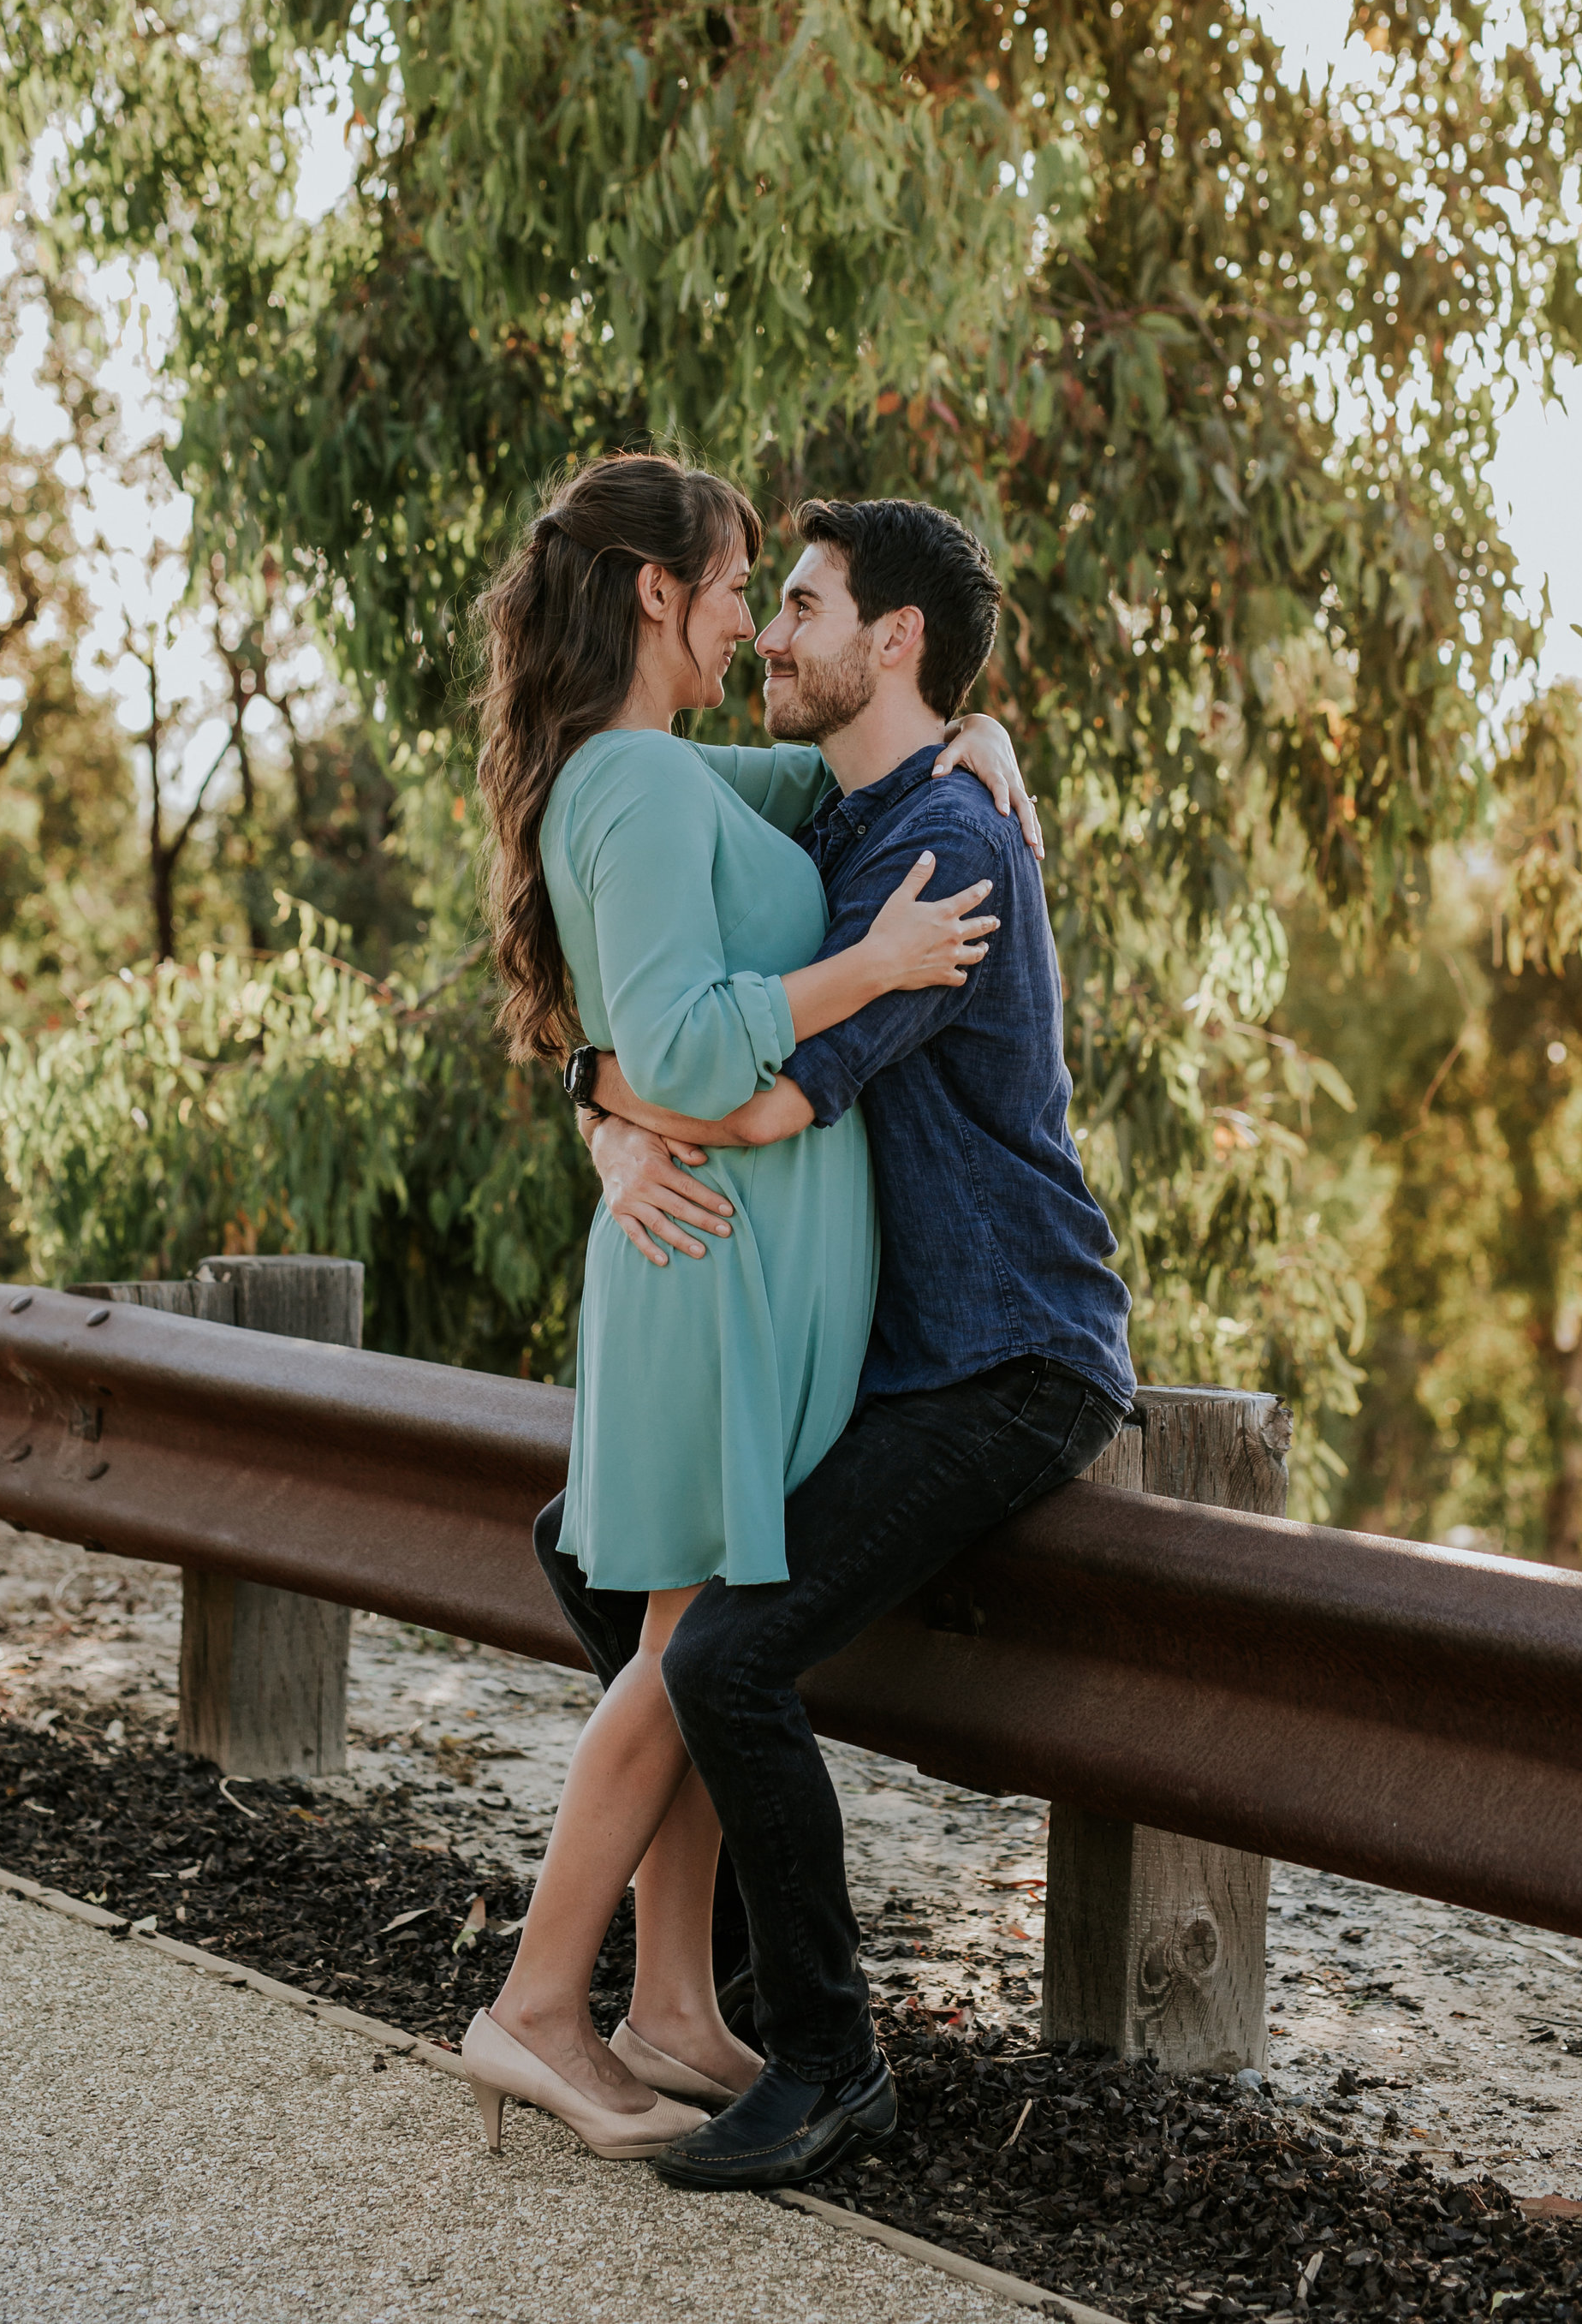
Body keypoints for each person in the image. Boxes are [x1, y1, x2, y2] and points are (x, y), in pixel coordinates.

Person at [538, 494, 1136, 2192]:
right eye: (760, 603)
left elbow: (768, 1095)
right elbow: (645, 901)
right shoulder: (852, 817)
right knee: (595, 1567)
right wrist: (600, 1101)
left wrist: (608, 1093)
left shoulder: (937, 852)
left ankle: (827, 2054)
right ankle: (673, 1997)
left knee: (720, 1657)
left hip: (1005, 1356)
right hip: (903, 1357)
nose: (769, 637)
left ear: (892, 642)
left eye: (797, 606)